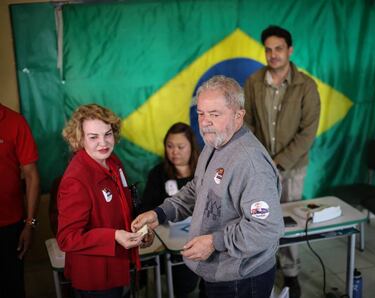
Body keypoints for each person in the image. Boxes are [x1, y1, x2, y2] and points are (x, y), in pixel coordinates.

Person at [132, 75, 284, 298]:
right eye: (201, 113)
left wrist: (215, 241)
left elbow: (266, 228)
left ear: (238, 115)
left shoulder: (250, 164)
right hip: (217, 271)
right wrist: (161, 213)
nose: (205, 122)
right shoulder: (215, 143)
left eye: (215, 114)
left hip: (242, 279)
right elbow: (198, 188)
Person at [244, 25, 321, 297]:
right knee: (262, 217)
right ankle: (267, 264)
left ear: (290, 50)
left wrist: (279, 162)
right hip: (261, 168)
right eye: (268, 49)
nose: (273, 54)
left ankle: (291, 274)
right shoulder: (253, 82)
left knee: (288, 220)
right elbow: (248, 124)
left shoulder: (306, 86)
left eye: (279, 49)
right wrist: (262, 161)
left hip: (293, 168)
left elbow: (307, 132)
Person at [57, 104, 150, 298]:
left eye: (107, 134)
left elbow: (122, 206)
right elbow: (67, 238)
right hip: (96, 279)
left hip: (120, 267)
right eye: (93, 137)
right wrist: (114, 236)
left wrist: (139, 229)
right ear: (80, 139)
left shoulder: (113, 161)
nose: (103, 143)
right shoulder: (76, 180)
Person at [142, 122, 201, 298]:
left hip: (203, 238)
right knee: (183, 285)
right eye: (170, 146)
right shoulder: (158, 174)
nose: (174, 151)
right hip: (171, 244)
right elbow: (147, 208)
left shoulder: (204, 172)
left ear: (192, 146)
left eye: (180, 146)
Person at [0, 103, 40, 298]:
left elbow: (32, 176)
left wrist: (29, 224)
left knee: (13, 288)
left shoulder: (15, 122)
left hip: (10, 228)